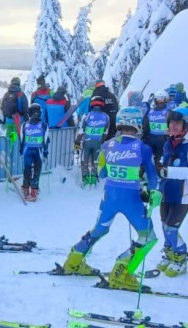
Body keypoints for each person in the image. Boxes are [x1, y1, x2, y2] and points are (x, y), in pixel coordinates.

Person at [60, 106, 161, 290]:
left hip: (109, 197)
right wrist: (151, 190)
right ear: (138, 124)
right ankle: (121, 272)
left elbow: (102, 173)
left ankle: (73, 262)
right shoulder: (143, 148)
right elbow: (153, 178)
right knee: (148, 236)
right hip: (131, 199)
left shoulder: (107, 145)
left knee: (99, 230)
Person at [157, 106, 188, 276]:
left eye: (177, 123)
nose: (172, 126)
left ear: (187, 124)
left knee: (171, 227)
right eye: (171, 122)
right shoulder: (169, 142)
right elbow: (164, 164)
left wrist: (169, 171)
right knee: (164, 225)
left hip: (185, 193)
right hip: (167, 190)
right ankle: (169, 253)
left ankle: (180, 257)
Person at [77, 96, 112, 186]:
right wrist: (102, 142)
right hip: (98, 142)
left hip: (86, 142)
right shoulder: (106, 117)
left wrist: (77, 141)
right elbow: (105, 132)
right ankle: (93, 180)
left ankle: (86, 180)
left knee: (85, 162)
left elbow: (81, 130)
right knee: (95, 162)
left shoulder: (87, 115)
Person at [19, 104, 48, 201]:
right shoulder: (44, 125)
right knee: (37, 171)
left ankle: (26, 189)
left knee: (26, 170)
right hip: (38, 151)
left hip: (27, 150)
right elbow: (46, 140)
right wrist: (45, 153)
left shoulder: (24, 125)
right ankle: (34, 191)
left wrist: (21, 151)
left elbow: (21, 139)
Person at [0, 77, 29, 143]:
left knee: (9, 140)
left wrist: (4, 120)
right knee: (16, 140)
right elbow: (25, 109)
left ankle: (9, 149)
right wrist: (27, 121)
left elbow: (2, 107)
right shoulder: (21, 94)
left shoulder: (6, 94)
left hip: (8, 121)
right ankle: (15, 149)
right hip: (18, 121)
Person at [143, 90, 172, 158]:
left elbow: (145, 127)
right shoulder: (169, 112)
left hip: (151, 139)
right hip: (164, 140)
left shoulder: (150, 112)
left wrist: (146, 137)